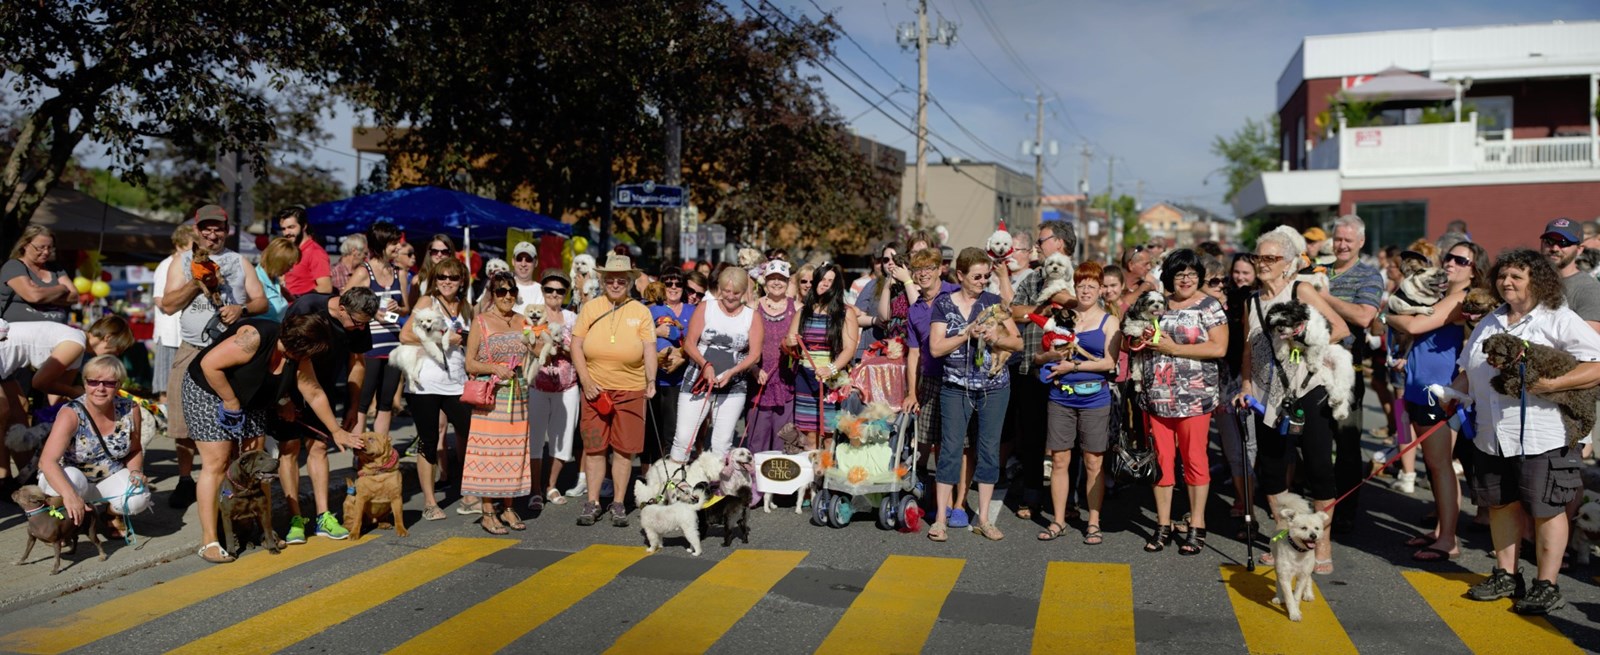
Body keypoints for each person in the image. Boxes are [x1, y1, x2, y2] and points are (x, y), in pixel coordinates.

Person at [1450, 248, 1600, 615]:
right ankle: (1506, 575)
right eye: (1502, 276)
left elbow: (1597, 363)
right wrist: (1455, 393)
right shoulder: (1490, 321)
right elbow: (1469, 366)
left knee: (1546, 509)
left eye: (1517, 276)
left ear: (1537, 280)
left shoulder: (1558, 319)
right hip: (1491, 434)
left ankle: (1546, 585)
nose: (1507, 282)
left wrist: (1552, 384)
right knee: (1500, 505)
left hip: (1543, 434)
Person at [181, 313, 345, 562]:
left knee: (256, 463)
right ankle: (210, 540)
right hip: (209, 389)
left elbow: (313, 392)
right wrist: (230, 400)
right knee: (218, 462)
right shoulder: (254, 338)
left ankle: (262, 530)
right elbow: (209, 365)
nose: (310, 358)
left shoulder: (297, 356)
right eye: (310, 352)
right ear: (298, 344)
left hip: (252, 397)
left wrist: (336, 430)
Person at [1236, 226, 1350, 574]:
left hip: (1308, 389)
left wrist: (1303, 338)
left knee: (1317, 468)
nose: (1263, 264)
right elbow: (1248, 350)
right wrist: (1244, 386)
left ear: (1288, 263)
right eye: (1259, 257)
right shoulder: (1251, 302)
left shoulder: (1301, 289)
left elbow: (1340, 328)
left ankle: (1322, 546)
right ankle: (1285, 537)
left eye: (1271, 258)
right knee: (1270, 471)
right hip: (1267, 397)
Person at [159, 205, 268, 510]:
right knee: (182, 423)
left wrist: (240, 309)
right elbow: (167, 305)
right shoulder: (180, 262)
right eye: (206, 228)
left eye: (218, 228)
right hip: (192, 349)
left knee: (233, 420)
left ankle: (234, 485)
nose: (212, 234)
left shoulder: (240, 262)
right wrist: (197, 283)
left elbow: (260, 301)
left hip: (232, 353)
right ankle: (184, 480)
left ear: (227, 230)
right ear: (196, 230)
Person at [1385, 241, 1488, 562]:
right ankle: (1441, 530)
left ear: (1474, 268)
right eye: (1448, 257)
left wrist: (1389, 315)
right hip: (1419, 387)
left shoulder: (1463, 297)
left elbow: (1415, 324)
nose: (1450, 263)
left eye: (1461, 260)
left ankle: (1448, 539)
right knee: (1433, 465)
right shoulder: (1442, 295)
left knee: (1441, 465)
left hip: (1441, 391)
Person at [1131, 249, 1227, 555]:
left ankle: (1197, 524)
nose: (1185, 280)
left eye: (1191, 274)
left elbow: (1219, 348)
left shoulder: (1209, 306)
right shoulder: (1157, 303)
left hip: (1194, 398)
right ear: (1169, 277)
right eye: (1179, 274)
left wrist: (1175, 349)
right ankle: (1163, 525)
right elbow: (1133, 338)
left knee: (1194, 461)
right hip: (1156, 396)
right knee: (1161, 463)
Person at [927, 248, 1021, 543]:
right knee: (951, 449)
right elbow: (936, 348)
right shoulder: (943, 303)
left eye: (986, 275)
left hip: (994, 387)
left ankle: (983, 519)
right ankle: (941, 519)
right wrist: (967, 332)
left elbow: (1017, 343)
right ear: (960, 276)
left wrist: (997, 338)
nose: (982, 281)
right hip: (955, 387)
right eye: (976, 276)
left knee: (989, 450)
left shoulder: (993, 302)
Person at [277, 287, 377, 542]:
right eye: (357, 323)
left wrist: (353, 406)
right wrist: (283, 398)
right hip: (292, 384)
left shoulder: (358, 323)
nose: (360, 329)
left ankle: (323, 517)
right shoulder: (307, 306)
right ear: (341, 309)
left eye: (366, 324)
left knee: (319, 447)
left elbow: (357, 362)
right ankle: (296, 519)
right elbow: (283, 351)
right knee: (289, 448)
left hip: (324, 389)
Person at [571, 253, 657, 527]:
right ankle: (593, 501)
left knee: (624, 450)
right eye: (610, 279)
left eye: (621, 279)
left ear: (630, 281)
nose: (616, 284)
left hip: (631, 388)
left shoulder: (641, 311)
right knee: (595, 448)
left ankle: (618, 502)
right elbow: (575, 345)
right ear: (603, 280)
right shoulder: (591, 307)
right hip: (595, 387)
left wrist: (651, 381)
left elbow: (649, 350)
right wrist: (584, 379)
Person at [1037, 261, 1118, 544]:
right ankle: (1058, 520)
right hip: (1060, 396)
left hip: (1095, 397)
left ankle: (1093, 522)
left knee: (1093, 462)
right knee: (1059, 460)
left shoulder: (1109, 321)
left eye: (1091, 286)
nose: (1085, 291)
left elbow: (1110, 362)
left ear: (1100, 290)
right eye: (1081, 285)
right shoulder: (1062, 317)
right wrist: (1050, 356)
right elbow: (1042, 353)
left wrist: (1073, 367)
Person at [1007, 220, 1079, 522]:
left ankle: (1070, 500)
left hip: (1071, 370)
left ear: (1059, 243)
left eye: (1042, 240)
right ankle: (1032, 495)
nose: (1038, 244)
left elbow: (1082, 307)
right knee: (1032, 437)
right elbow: (1013, 310)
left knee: (1070, 439)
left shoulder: (1082, 276)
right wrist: (1041, 312)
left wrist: (1040, 309)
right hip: (1031, 366)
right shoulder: (1034, 278)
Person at [35, 356, 152, 540]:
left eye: (109, 383)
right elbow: (47, 461)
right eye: (93, 382)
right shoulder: (71, 412)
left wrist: (136, 472)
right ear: (85, 383)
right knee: (72, 479)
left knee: (139, 497)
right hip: (71, 478)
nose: (100, 388)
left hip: (108, 475)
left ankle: (111, 514)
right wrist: (70, 495)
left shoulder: (130, 408)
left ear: (119, 384)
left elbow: (135, 449)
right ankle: (63, 521)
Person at [1319, 215, 1384, 530]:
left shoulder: (1368, 276)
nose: (1342, 245)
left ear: (1360, 242)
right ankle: (1320, 501)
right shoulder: (1319, 271)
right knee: (1312, 440)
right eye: (1338, 239)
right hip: (1310, 368)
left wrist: (1321, 296)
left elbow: (1363, 316)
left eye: (1348, 240)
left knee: (1346, 443)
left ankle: (1345, 511)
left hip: (1348, 369)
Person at [459, 271, 534, 534]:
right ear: (492, 294)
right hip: (492, 397)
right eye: (501, 291)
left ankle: (509, 506)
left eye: (511, 291)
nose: (507, 296)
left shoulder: (523, 320)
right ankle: (488, 511)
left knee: (514, 452)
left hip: (519, 394)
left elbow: (533, 352)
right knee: (489, 453)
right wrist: (494, 368)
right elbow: (469, 362)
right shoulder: (481, 322)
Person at [399, 256, 472, 522]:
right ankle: (430, 503)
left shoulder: (466, 307)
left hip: (457, 382)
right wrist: (442, 339)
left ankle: (470, 493)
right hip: (425, 384)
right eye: (442, 277)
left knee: (470, 434)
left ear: (461, 280)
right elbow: (405, 335)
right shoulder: (426, 302)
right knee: (428, 442)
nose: (447, 282)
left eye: (453, 278)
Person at [672, 266, 762, 461]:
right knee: (684, 438)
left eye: (736, 292)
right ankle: (676, 484)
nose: (730, 297)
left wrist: (732, 372)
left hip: (733, 386)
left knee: (722, 444)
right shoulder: (706, 307)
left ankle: (717, 488)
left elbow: (754, 355)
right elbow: (689, 343)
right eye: (726, 291)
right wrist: (705, 365)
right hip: (698, 380)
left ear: (744, 292)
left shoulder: (751, 316)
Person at [786, 263, 862, 449]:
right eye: (822, 279)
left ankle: (827, 475)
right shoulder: (803, 312)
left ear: (837, 285)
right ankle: (812, 476)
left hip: (832, 381)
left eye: (831, 280)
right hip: (805, 378)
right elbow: (789, 344)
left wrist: (831, 368)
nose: (825, 284)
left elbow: (849, 349)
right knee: (808, 436)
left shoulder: (846, 313)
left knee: (829, 436)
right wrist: (789, 343)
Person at [344, 222, 409, 436]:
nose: (397, 248)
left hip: (393, 344)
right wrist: (372, 313)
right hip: (369, 345)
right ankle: (360, 454)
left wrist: (397, 309)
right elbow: (343, 299)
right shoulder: (365, 271)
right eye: (393, 244)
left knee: (386, 403)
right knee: (363, 403)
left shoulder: (398, 272)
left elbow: (407, 307)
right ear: (381, 244)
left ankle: (380, 453)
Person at [905, 247, 958, 488]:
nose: (923, 274)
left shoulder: (955, 293)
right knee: (925, 436)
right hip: (931, 379)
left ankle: (952, 495)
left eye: (929, 268)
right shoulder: (914, 309)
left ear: (939, 270)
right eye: (918, 269)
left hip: (958, 376)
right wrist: (912, 392)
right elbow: (914, 353)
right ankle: (925, 487)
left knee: (952, 440)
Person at [528, 269, 579, 509]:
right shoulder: (533, 315)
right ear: (543, 290)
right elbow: (527, 346)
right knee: (536, 438)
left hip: (568, 385)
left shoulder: (572, 318)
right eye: (549, 289)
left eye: (560, 291)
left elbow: (580, 351)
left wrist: (564, 347)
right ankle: (535, 488)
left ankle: (551, 485)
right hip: (538, 383)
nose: (554, 295)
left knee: (564, 437)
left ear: (566, 293)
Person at [1218, 252, 1258, 525]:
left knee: (1250, 444)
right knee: (1232, 447)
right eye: (1237, 272)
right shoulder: (1222, 298)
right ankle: (1241, 498)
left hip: (1252, 379)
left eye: (1246, 272)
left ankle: (1251, 503)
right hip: (1223, 377)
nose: (1240, 277)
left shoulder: (1260, 300)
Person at [643, 269, 695, 469]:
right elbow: (633, 335)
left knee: (674, 431)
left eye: (678, 283)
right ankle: (648, 474)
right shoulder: (644, 307)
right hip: (651, 377)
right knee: (650, 431)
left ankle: (673, 473)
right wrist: (654, 332)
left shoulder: (692, 310)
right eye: (668, 283)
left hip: (679, 381)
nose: (673, 287)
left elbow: (698, 341)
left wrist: (682, 356)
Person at [747, 261, 797, 453]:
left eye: (781, 279)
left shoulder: (797, 308)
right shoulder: (752, 307)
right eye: (772, 278)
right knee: (756, 441)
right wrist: (753, 368)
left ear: (787, 282)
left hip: (786, 382)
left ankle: (781, 483)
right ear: (765, 281)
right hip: (758, 381)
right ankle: (754, 482)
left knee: (784, 443)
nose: (777, 283)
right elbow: (742, 345)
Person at [151, 225, 196, 403]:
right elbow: (160, 300)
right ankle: (165, 422)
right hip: (170, 335)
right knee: (166, 384)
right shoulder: (167, 266)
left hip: (185, 335)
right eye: (192, 246)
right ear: (179, 246)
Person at [0, 225, 76, 324]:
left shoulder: (56, 269)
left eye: (50, 248)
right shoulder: (14, 266)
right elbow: (34, 296)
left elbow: (74, 296)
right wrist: (61, 289)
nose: (46, 252)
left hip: (58, 328)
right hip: (22, 328)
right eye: (41, 247)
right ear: (26, 245)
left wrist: (43, 295)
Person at [1540, 217, 1600, 330]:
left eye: (1563, 242)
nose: (1554, 248)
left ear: (1579, 249)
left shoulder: (1589, 290)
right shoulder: (1529, 282)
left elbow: (1588, 342)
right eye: (1549, 241)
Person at [277, 206, 333, 296]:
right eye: (283, 229)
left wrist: (298, 298)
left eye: (291, 227)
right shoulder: (290, 250)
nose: (286, 233)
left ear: (304, 226)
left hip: (301, 307)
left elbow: (325, 287)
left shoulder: (315, 252)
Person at [254, 237, 301, 322]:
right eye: (289, 265)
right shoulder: (256, 280)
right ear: (278, 261)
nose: (291, 270)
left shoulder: (274, 280)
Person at [509, 242, 542, 311]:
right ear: (513, 261)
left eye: (528, 259)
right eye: (519, 259)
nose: (523, 264)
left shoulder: (542, 291)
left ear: (536, 263)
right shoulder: (502, 285)